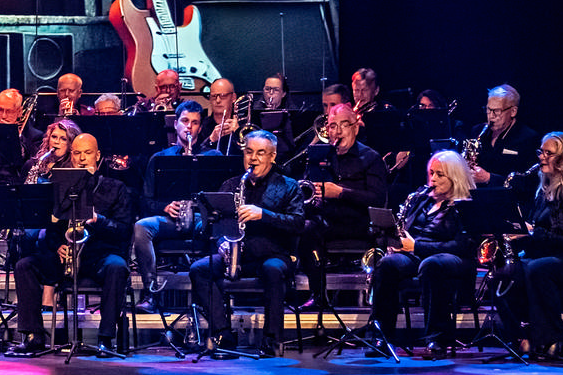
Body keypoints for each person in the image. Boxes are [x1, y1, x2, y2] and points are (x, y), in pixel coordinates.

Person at [6, 132, 134, 355]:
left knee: (117, 267)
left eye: (87, 153)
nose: (82, 159)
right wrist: (57, 245)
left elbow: (124, 230)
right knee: (24, 266)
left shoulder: (116, 188)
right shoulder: (58, 187)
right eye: (76, 153)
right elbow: (50, 229)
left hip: (99, 256)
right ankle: (33, 336)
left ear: (98, 156)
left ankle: (105, 339)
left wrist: (99, 220)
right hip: (65, 257)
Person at [188, 129, 306, 356]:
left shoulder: (289, 185)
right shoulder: (232, 184)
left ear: (272, 156)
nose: (253, 158)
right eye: (249, 152)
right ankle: (223, 335)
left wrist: (263, 214)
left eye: (261, 153)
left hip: (274, 254)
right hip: (237, 255)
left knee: (272, 270)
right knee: (199, 270)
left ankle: (272, 340)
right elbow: (210, 222)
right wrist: (221, 241)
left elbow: (298, 223)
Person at [368, 151, 474, 355]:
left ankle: (437, 338)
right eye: (431, 173)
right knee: (387, 264)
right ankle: (382, 337)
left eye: (440, 174)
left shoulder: (466, 206)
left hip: (454, 258)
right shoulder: (421, 199)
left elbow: (462, 246)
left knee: (431, 264)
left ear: (455, 177)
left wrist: (416, 247)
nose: (432, 179)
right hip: (419, 254)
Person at [501, 132, 563, 361]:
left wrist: (534, 233)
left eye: (548, 153)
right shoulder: (543, 190)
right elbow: (536, 230)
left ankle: (553, 339)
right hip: (548, 255)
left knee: (538, 269)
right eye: (541, 152)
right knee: (504, 272)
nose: (541, 157)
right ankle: (521, 337)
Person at [295, 103, 388, 306]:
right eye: (332, 126)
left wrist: (340, 193)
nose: (337, 131)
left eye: (343, 125)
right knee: (304, 228)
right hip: (327, 221)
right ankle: (318, 295)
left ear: (355, 128)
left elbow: (377, 199)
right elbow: (306, 192)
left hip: (360, 223)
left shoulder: (371, 158)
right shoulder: (319, 156)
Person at [132, 102, 220, 295]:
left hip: (201, 220)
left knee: (220, 227)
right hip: (171, 220)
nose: (189, 127)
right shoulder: (160, 158)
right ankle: (151, 293)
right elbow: (145, 200)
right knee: (141, 226)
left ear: (200, 127)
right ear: (175, 124)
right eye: (185, 121)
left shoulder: (213, 156)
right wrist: (165, 207)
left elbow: (221, 198)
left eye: (195, 123)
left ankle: (212, 295)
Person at [466, 85, 541, 188]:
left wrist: (489, 178)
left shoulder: (529, 138)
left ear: (513, 111)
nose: (491, 116)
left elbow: (529, 182)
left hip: (509, 196)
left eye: (497, 111)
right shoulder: (477, 131)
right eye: (488, 109)